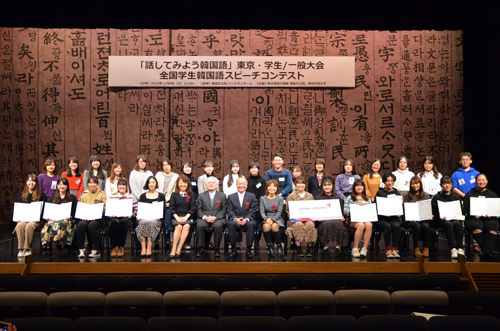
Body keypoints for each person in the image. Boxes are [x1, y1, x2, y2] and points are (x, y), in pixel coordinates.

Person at [463, 173, 498, 258]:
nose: (481, 182)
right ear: (476, 182)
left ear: (487, 181)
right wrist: (474, 215)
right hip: (473, 218)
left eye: (483, 180)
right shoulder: (469, 194)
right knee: (476, 227)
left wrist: (492, 215)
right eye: (479, 180)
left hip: (489, 218)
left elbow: (496, 210)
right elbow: (465, 209)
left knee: (493, 228)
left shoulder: (492, 195)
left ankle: (485, 250)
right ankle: (486, 250)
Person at [42, 177, 77, 256]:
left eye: (64, 184)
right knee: (50, 224)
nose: (62, 186)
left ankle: (65, 245)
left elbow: (75, 211)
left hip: (67, 220)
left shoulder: (72, 198)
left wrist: (70, 217)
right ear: (57, 186)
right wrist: (48, 218)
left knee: (63, 223)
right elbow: (48, 211)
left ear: (67, 186)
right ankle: (57, 245)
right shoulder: (52, 198)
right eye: (60, 184)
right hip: (54, 220)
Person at [431, 176, 465, 259]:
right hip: (441, 220)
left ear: (452, 184)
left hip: (454, 218)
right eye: (445, 184)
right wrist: (440, 217)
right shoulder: (437, 197)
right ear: (441, 185)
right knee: (448, 224)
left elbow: (461, 210)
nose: (447, 186)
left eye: (449, 184)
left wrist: (460, 216)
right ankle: (452, 248)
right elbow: (433, 212)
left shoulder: (456, 197)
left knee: (457, 224)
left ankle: (460, 248)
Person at [14, 174, 47, 257]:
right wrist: (18, 218)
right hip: (24, 219)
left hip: (36, 220)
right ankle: (21, 249)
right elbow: (19, 209)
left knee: (30, 226)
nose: (31, 183)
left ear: (36, 183)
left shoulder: (41, 194)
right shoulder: (22, 194)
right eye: (29, 181)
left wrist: (38, 218)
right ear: (26, 182)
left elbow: (44, 209)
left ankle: (28, 248)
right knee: (19, 226)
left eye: (33, 181)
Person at [226, 177, 258, 259]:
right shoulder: (230, 197)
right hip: (235, 220)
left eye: (243, 184)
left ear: (246, 185)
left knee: (251, 224)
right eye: (239, 184)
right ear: (236, 185)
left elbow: (253, 209)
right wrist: (235, 219)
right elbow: (229, 210)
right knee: (231, 224)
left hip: (248, 220)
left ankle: (248, 250)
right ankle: (233, 249)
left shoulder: (252, 196)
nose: (241, 185)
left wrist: (246, 219)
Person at [315, 178, 348, 257]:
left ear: (332, 186)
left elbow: (341, 210)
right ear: (322, 187)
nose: (327, 187)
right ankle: (325, 247)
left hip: (336, 218)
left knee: (339, 224)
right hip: (324, 219)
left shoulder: (337, 197)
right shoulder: (319, 198)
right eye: (325, 185)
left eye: (329, 185)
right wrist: (318, 217)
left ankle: (338, 246)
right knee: (325, 224)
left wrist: (342, 216)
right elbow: (316, 211)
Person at [195, 176, 227, 257]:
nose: (211, 184)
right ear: (206, 185)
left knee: (218, 226)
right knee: (199, 225)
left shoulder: (222, 195)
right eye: (209, 183)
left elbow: (224, 209)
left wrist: (215, 217)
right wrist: (205, 217)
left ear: (216, 185)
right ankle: (201, 248)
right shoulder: (201, 195)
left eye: (213, 183)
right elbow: (199, 209)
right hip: (204, 218)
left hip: (217, 218)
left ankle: (217, 249)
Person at [286, 176, 316, 257]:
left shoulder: (310, 196)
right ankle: (298, 248)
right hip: (296, 220)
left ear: (305, 185)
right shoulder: (291, 196)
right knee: (298, 225)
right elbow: (288, 209)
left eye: (302, 183)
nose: (300, 185)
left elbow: (313, 208)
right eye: (298, 183)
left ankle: (309, 248)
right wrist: (291, 216)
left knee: (310, 225)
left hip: (307, 219)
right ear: (295, 185)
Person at [77, 175, 106, 259]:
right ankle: (81, 249)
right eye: (90, 183)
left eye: (94, 183)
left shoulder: (102, 194)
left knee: (92, 225)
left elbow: (104, 208)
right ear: (87, 184)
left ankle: (96, 249)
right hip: (85, 217)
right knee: (81, 225)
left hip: (98, 218)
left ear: (97, 184)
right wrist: (82, 216)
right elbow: (80, 207)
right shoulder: (84, 194)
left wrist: (97, 215)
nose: (92, 185)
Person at [375, 173, 403, 259]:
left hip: (394, 218)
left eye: (391, 181)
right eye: (387, 181)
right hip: (382, 219)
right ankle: (387, 249)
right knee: (387, 226)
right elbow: (376, 207)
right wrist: (382, 212)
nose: (390, 183)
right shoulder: (380, 192)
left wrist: (399, 211)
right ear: (384, 182)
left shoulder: (397, 193)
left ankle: (395, 248)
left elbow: (400, 208)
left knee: (396, 225)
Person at [108, 178, 137, 258]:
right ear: (117, 187)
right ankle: (114, 247)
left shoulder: (131, 197)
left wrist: (129, 214)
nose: (121, 187)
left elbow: (136, 210)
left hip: (127, 218)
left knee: (123, 223)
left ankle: (121, 246)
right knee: (114, 223)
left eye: (123, 185)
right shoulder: (113, 197)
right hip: (115, 217)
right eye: (120, 185)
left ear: (127, 186)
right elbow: (109, 210)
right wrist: (112, 214)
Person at [343, 179, 372, 258]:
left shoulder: (368, 199)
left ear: (363, 187)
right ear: (354, 187)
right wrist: (356, 208)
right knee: (361, 225)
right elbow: (345, 211)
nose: (359, 187)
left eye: (361, 185)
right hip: (353, 220)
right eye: (357, 186)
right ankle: (355, 248)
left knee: (369, 225)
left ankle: (364, 248)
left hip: (365, 219)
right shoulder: (349, 198)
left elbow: (371, 211)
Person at [169, 175, 196, 258]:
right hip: (176, 217)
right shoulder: (174, 194)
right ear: (178, 184)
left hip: (188, 217)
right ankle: (174, 248)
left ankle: (179, 248)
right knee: (179, 227)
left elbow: (193, 208)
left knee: (187, 226)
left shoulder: (192, 194)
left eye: (185, 183)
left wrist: (186, 217)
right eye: (181, 183)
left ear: (188, 184)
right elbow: (171, 207)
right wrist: (177, 217)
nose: (183, 185)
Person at [404, 176, 432, 257]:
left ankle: (426, 247)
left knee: (426, 225)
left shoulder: (425, 195)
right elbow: (405, 210)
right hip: (411, 221)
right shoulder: (407, 195)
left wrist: (429, 215)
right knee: (417, 226)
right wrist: (409, 217)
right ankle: (416, 247)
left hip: (423, 219)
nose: (415, 185)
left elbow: (428, 208)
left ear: (420, 184)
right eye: (412, 184)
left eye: (416, 183)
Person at [260, 180, 285, 257]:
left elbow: (279, 212)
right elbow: (262, 211)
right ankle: (270, 247)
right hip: (266, 217)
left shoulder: (280, 199)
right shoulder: (263, 198)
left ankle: (279, 246)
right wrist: (266, 219)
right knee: (266, 226)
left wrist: (273, 220)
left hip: (277, 218)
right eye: (270, 186)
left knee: (274, 226)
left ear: (277, 188)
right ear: (267, 188)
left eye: (274, 186)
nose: (272, 188)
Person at [156, 157, 179, 230]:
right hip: (158, 200)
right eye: (164, 165)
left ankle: (168, 239)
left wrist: (166, 199)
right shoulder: (158, 175)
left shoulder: (175, 176)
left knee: (168, 219)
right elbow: (156, 187)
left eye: (168, 165)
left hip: (169, 202)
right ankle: (157, 240)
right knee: (157, 221)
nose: (166, 167)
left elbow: (175, 190)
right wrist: (162, 198)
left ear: (171, 165)